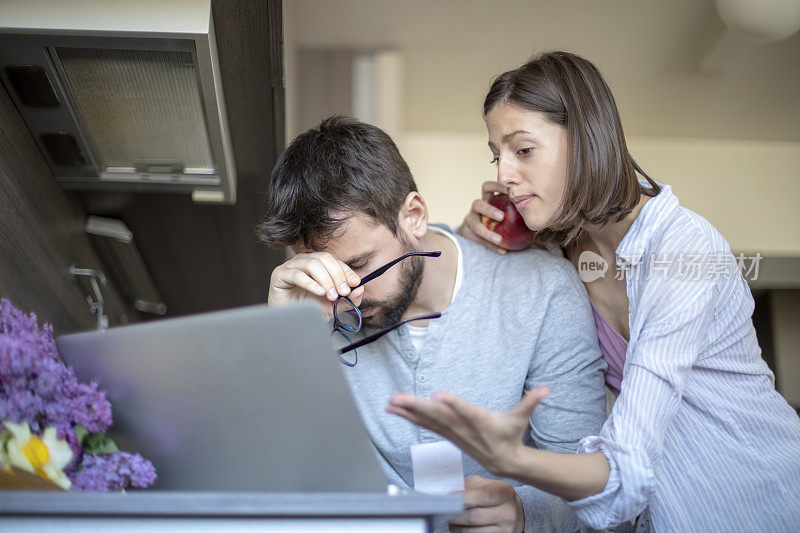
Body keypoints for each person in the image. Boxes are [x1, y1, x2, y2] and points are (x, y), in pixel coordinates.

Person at [388, 51, 800, 532]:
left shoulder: (683, 246)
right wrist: (476, 234)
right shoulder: (561, 253)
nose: (503, 173)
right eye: (496, 155)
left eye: (523, 151)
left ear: (584, 137)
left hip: (766, 498)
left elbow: (624, 467)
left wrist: (512, 460)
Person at [258, 116, 608, 532]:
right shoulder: (318, 307)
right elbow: (287, 481)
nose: (349, 293)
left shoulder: (543, 292)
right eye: (328, 273)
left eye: (359, 265)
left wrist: (525, 515)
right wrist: (287, 339)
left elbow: (591, 486)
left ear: (414, 216)